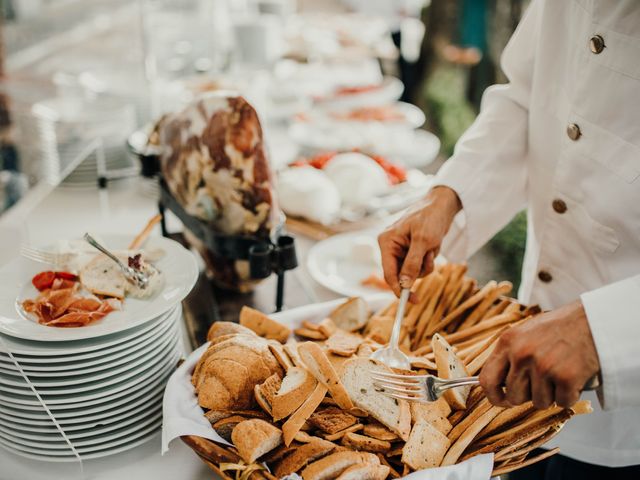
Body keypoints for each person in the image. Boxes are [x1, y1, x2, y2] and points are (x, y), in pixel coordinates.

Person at [377, 1, 640, 478]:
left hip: (629, 429)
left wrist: (607, 331)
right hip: (519, 371)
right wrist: (449, 193)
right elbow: (526, 97)